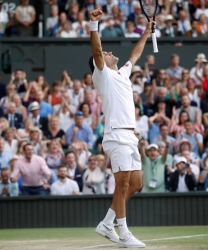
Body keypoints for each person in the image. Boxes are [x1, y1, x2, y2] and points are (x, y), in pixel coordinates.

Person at [89, 8, 149, 247]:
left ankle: (106, 223)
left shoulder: (123, 73)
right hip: (116, 135)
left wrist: (146, 32)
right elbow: (96, 49)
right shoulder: (101, 74)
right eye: (105, 52)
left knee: (135, 184)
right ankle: (124, 233)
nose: (109, 52)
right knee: (122, 183)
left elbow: (135, 55)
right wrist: (94, 25)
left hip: (130, 136)